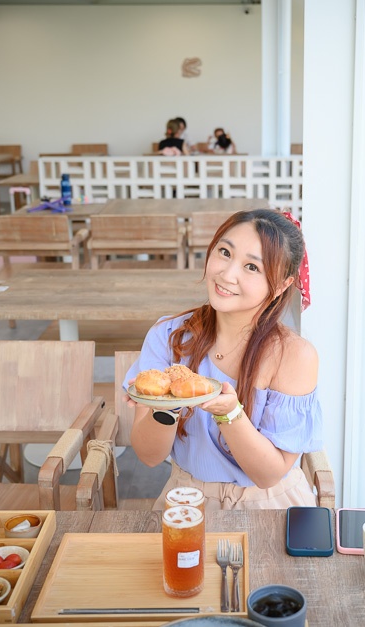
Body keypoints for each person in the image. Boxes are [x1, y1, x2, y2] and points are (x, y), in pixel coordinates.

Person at [125, 209, 322, 510]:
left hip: (269, 505)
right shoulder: (169, 336)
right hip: (185, 499)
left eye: (252, 267)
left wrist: (230, 413)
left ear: (282, 284)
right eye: (225, 252)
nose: (228, 275)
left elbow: (268, 475)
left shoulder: (295, 356)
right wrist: (168, 405)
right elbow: (149, 456)